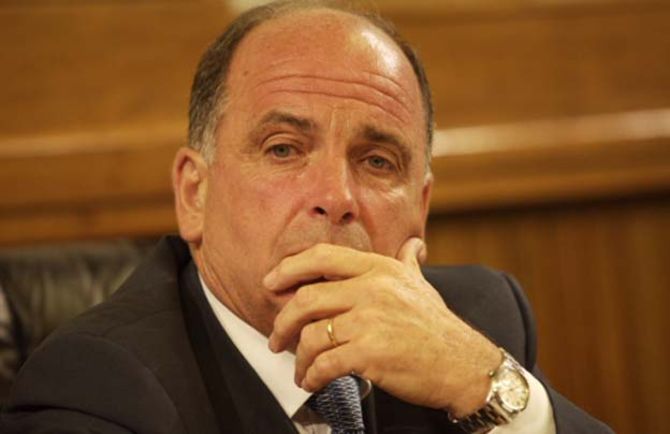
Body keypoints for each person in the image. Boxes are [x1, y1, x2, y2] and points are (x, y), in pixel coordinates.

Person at [1, 1, 612, 433]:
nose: (336, 196)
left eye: (377, 161)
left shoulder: (477, 321)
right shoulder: (97, 389)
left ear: (420, 208)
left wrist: (486, 387)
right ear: (195, 194)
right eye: (284, 150)